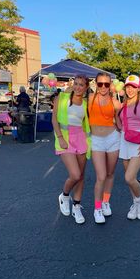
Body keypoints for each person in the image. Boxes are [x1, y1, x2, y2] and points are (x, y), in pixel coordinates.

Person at [52, 75, 91, 224]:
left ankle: (76, 206)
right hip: (65, 138)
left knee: (81, 176)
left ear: (86, 87)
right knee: (74, 174)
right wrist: (60, 137)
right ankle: (65, 196)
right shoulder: (61, 97)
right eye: (76, 84)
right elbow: (54, 119)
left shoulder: (86, 103)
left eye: (82, 85)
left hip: (81, 139)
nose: (78, 87)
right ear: (72, 84)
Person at [117, 75, 140, 220]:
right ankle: (135, 203)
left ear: (138, 89)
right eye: (128, 86)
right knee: (130, 179)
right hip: (125, 141)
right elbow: (118, 121)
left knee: (129, 178)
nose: (130, 89)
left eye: (133, 87)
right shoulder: (122, 105)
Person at [88, 72, 121, 224]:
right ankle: (97, 208)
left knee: (110, 173)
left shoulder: (115, 102)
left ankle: (106, 201)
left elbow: (120, 121)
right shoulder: (89, 98)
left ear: (110, 85)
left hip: (113, 138)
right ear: (95, 84)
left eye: (106, 84)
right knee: (101, 176)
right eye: (100, 83)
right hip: (96, 140)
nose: (103, 87)